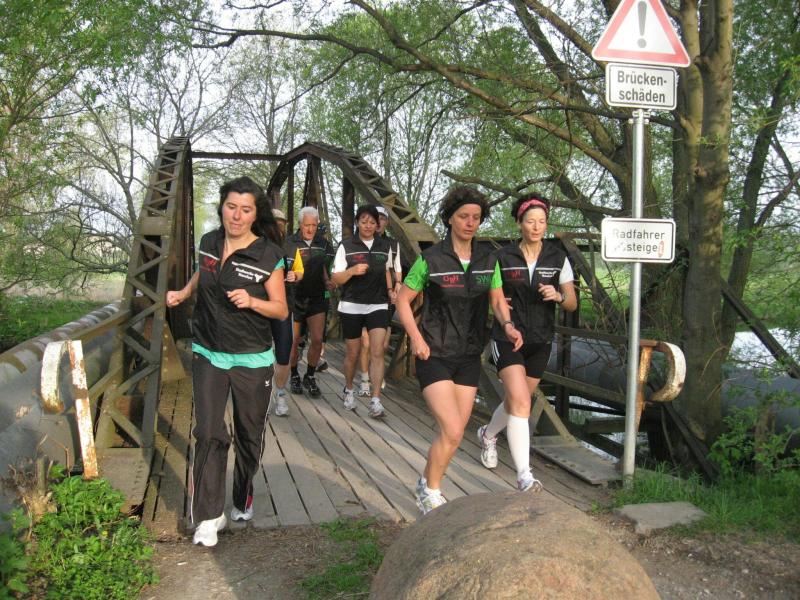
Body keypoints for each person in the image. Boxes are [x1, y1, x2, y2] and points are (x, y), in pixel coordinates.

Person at [166, 176, 288, 546]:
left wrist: (252, 301)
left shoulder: (268, 255)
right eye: (231, 207)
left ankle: (243, 491)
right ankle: (209, 515)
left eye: (245, 209)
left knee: (249, 437)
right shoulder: (209, 242)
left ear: (255, 214)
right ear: (222, 207)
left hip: (252, 358)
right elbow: (204, 271)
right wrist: (184, 292)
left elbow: (281, 309)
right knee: (208, 432)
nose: (236, 215)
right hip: (208, 351)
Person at [395, 186, 522, 514]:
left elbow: (497, 300)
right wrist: (416, 339)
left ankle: (426, 482)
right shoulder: (431, 260)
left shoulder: (488, 260)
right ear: (450, 218)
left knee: (453, 434)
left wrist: (508, 325)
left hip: (468, 356)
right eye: (464, 216)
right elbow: (403, 301)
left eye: (476, 217)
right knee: (452, 430)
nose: (470, 222)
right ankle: (431, 491)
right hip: (434, 354)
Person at [476, 195, 577, 492]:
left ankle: (488, 434)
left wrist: (558, 296)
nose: (536, 227)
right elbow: (487, 293)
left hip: (541, 340)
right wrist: (498, 308)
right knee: (521, 402)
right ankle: (524, 476)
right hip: (507, 337)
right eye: (530, 221)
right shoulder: (502, 257)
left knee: (515, 402)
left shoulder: (557, 258)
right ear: (519, 222)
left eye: (542, 222)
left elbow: (571, 302)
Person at [332, 204, 394, 418]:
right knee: (353, 352)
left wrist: (392, 289)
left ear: (378, 225)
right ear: (357, 223)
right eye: (364, 221)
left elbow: (387, 271)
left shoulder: (385, 246)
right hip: (352, 304)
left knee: (377, 351)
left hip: (378, 304)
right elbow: (336, 278)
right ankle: (349, 390)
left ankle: (376, 401)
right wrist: (351, 271)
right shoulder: (346, 245)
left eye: (372, 222)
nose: (368, 225)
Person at [286, 206, 335, 398]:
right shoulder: (289, 243)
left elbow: (328, 267)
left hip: (317, 298)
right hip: (295, 298)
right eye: (307, 225)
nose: (310, 229)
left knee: (317, 340)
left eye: (314, 225)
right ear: (300, 224)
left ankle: (310, 375)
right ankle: (294, 375)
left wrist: (329, 280)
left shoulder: (324, 244)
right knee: (293, 341)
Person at [357, 204, 401, 396]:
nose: (379, 222)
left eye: (382, 219)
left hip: (384, 298)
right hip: (363, 296)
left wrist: (398, 285)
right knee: (366, 343)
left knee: (381, 345)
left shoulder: (392, 245)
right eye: (376, 219)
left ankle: (375, 373)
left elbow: (396, 268)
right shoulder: (360, 242)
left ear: (386, 222)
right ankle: (365, 379)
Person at [270, 208, 304, 416]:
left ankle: (280, 394)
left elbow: (300, 270)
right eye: (273, 223)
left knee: (284, 353)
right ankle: (260, 393)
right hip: (260, 307)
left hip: (285, 307)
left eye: (281, 223)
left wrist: (296, 276)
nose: (277, 227)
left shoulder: (292, 247)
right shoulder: (255, 245)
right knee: (258, 352)